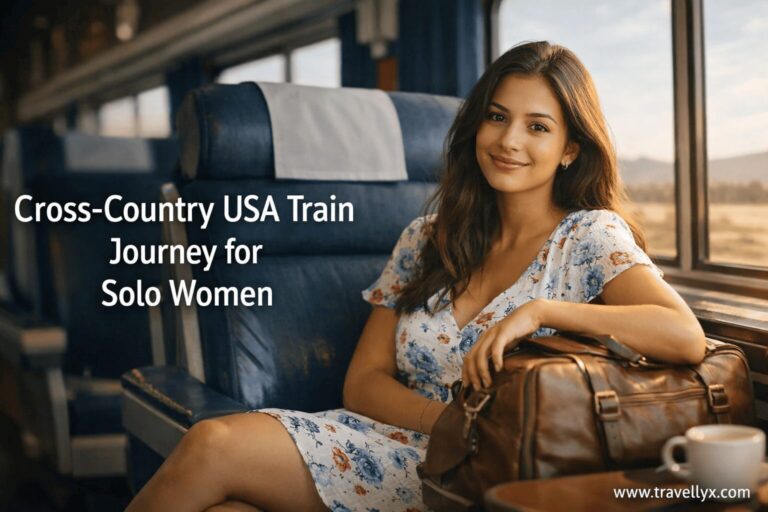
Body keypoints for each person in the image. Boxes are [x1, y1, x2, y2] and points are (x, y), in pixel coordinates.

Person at [125, 41, 706, 512]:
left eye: (537, 127)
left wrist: (542, 311)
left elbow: (683, 336)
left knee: (214, 443)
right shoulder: (426, 237)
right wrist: (449, 423)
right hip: (388, 441)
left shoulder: (589, 237)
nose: (508, 141)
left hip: (487, 474)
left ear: (571, 149)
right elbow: (364, 381)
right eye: (497, 118)